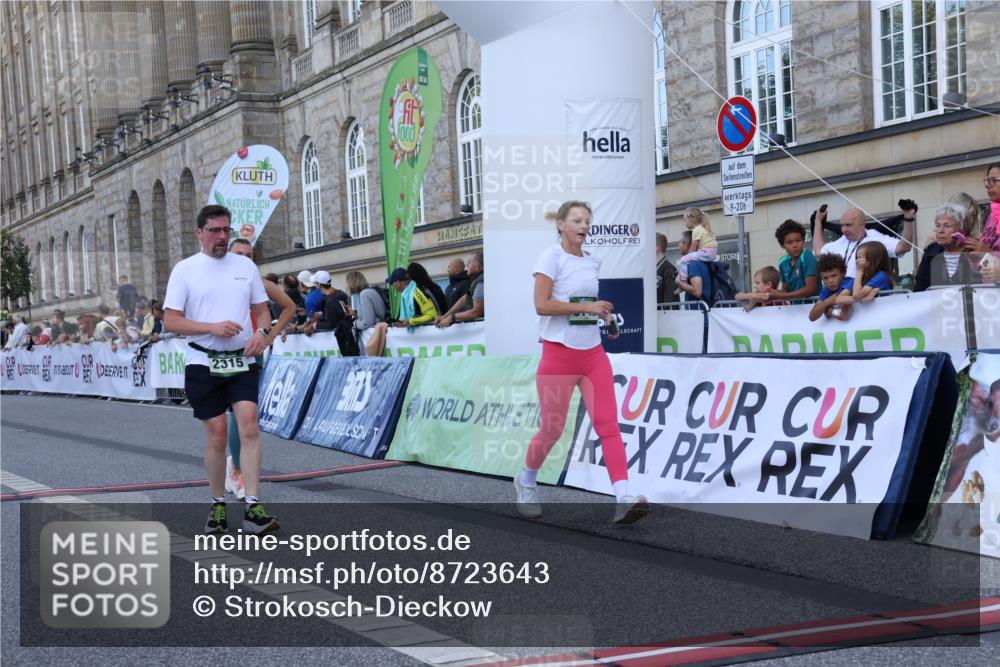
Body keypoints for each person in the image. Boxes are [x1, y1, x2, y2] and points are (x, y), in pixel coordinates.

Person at [514, 200, 649, 525]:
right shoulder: (551, 257)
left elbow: (584, 306)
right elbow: (542, 305)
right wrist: (588, 308)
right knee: (552, 429)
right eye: (577, 220)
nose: (584, 226)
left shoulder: (592, 261)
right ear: (561, 225)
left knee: (608, 425)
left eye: (587, 221)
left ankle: (623, 496)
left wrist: (604, 318)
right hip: (558, 355)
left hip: (592, 355)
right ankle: (526, 480)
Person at [163, 204, 279, 535]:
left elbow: (263, 311)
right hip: (203, 362)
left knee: (250, 428)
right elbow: (171, 321)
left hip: (242, 360)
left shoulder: (245, 266)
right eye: (215, 230)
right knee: (217, 436)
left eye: (226, 230)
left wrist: (262, 334)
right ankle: (217, 504)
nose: (222, 236)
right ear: (199, 233)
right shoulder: (185, 270)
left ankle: (253, 505)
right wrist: (212, 327)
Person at [225, 238, 297, 498]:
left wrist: (269, 336)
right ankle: (234, 465)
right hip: (220, 354)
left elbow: (289, 307)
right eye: (239, 253)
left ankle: (238, 469)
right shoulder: (216, 281)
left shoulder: (261, 283)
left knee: (244, 415)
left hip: (251, 355)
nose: (244, 258)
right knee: (226, 416)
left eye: (249, 255)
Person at [813, 207, 914, 279]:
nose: (844, 230)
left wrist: (908, 219)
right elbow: (819, 251)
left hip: (868, 296)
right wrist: (818, 221)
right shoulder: (841, 241)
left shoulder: (875, 238)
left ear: (862, 225)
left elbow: (904, 247)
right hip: (844, 295)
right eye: (842, 225)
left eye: (848, 225)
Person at [915, 203, 983, 292]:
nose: (940, 230)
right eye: (938, 226)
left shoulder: (976, 251)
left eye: (947, 226)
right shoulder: (931, 252)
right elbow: (919, 288)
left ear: (962, 230)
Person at [312, 270, 360, 356]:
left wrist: (316, 325)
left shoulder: (330, 301)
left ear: (319, 285)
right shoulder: (340, 294)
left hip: (342, 339)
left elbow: (332, 324)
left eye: (315, 283)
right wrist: (324, 314)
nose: (314, 285)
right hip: (349, 333)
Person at [836, 241, 894, 307]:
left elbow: (857, 295)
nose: (857, 261)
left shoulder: (881, 275)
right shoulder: (858, 279)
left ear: (873, 259)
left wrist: (859, 271)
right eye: (857, 258)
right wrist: (863, 299)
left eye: (860, 257)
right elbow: (839, 299)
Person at [436, 251, 485, 327]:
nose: (466, 265)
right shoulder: (476, 281)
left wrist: (452, 317)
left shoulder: (480, 283)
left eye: (469, 263)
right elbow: (464, 299)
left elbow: (476, 312)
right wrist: (445, 316)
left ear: (478, 267)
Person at [347, 270, 389, 357]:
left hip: (377, 335)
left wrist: (356, 324)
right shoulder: (369, 290)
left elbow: (368, 322)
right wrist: (355, 315)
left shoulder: (364, 294)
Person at [773, 219, 818, 300]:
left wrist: (781, 296)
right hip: (794, 306)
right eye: (789, 242)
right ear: (782, 245)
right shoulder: (782, 262)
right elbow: (785, 289)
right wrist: (772, 293)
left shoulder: (807, 257)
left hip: (813, 304)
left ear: (803, 240)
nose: (795, 245)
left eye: (798, 241)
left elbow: (811, 289)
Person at [677, 207, 717, 281]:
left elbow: (693, 248)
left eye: (685, 220)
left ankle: (683, 279)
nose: (684, 223)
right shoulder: (702, 229)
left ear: (691, 219)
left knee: (683, 260)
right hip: (711, 253)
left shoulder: (696, 230)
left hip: (706, 252)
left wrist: (687, 256)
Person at [809, 254, 853, 322]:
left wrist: (829, 311)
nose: (830, 281)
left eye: (833, 276)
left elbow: (842, 316)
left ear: (843, 273)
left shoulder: (849, 282)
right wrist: (827, 302)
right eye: (825, 278)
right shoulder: (827, 290)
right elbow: (812, 317)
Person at [674, 231, 713, 305]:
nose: (678, 245)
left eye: (680, 242)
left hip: (698, 310)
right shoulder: (697, 262)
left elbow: (697, 292)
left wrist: (679, 282)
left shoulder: (693, 264)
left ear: (685, 244)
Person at [977, 162, 1000, 284]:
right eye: (987, 180)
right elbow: (982, 258)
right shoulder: (991, 216)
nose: (987, 185)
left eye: (994, 180)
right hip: (990, 290)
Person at [655, 232, 678, 304]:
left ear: (657, 247)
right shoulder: (653, 269)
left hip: (665, 311)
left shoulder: (669, 269)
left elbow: (671, 300)